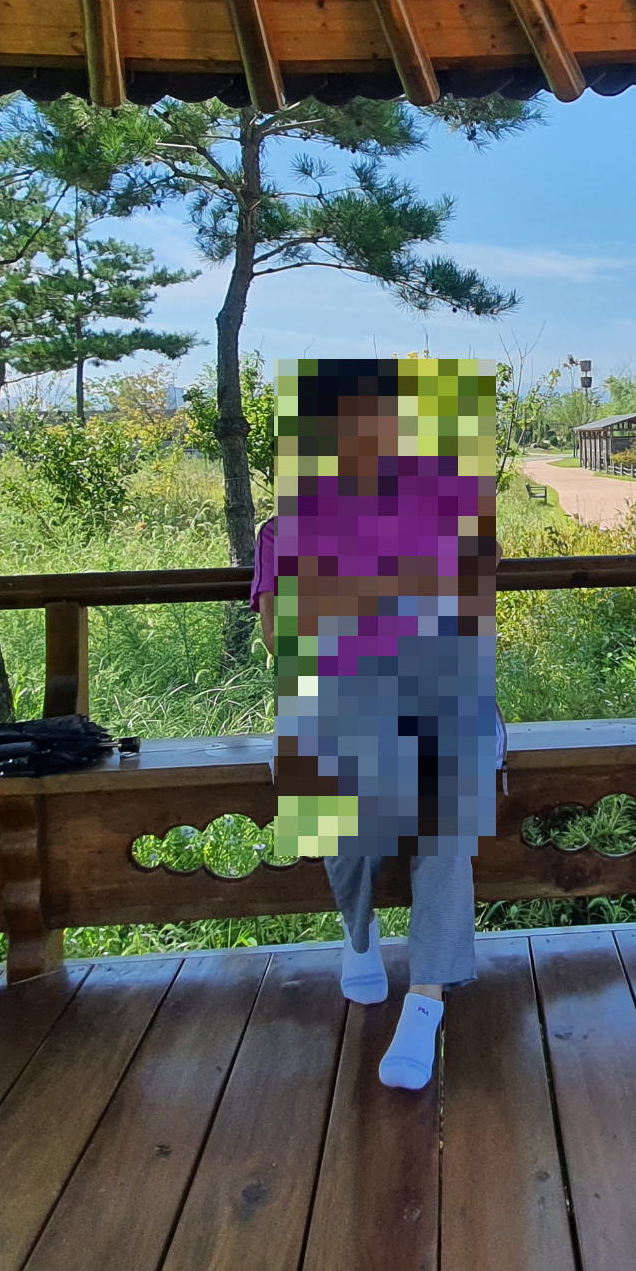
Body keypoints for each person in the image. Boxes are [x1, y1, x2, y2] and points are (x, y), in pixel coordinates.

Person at [254, 357, 503, 1091]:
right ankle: (358, 935)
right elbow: (281, 641)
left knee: (443, 826)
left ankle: (425, 1002)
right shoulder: (283, 530)